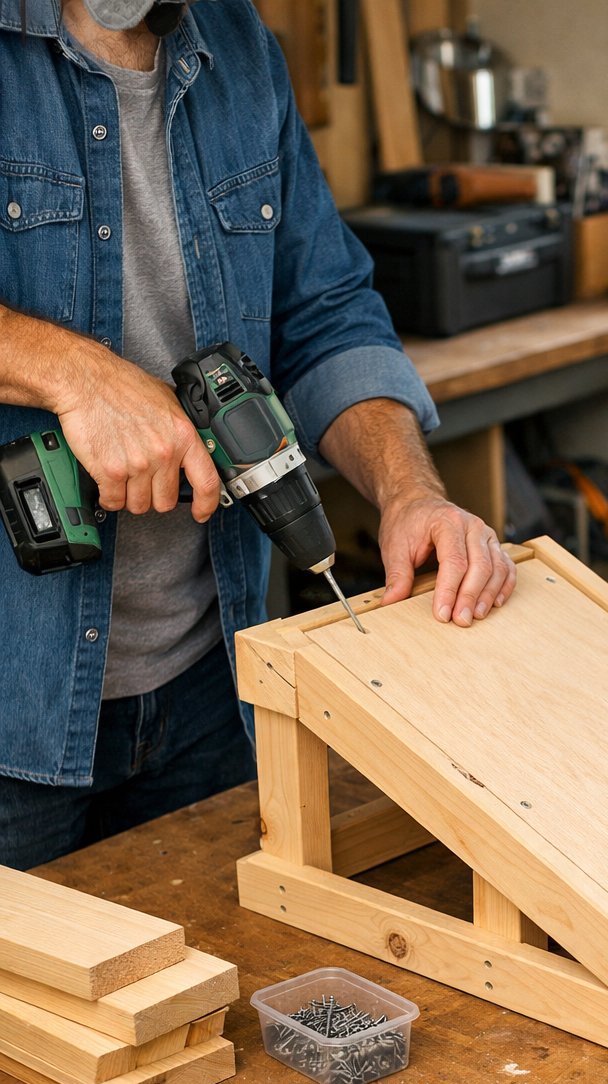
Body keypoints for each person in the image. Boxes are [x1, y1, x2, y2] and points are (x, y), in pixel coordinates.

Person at [0, 0, 516, 871]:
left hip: (214, 676)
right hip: (17, 703)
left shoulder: (238, 48)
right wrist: (75, 373)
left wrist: (408, 492)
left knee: (211, 986)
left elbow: (325, 312)